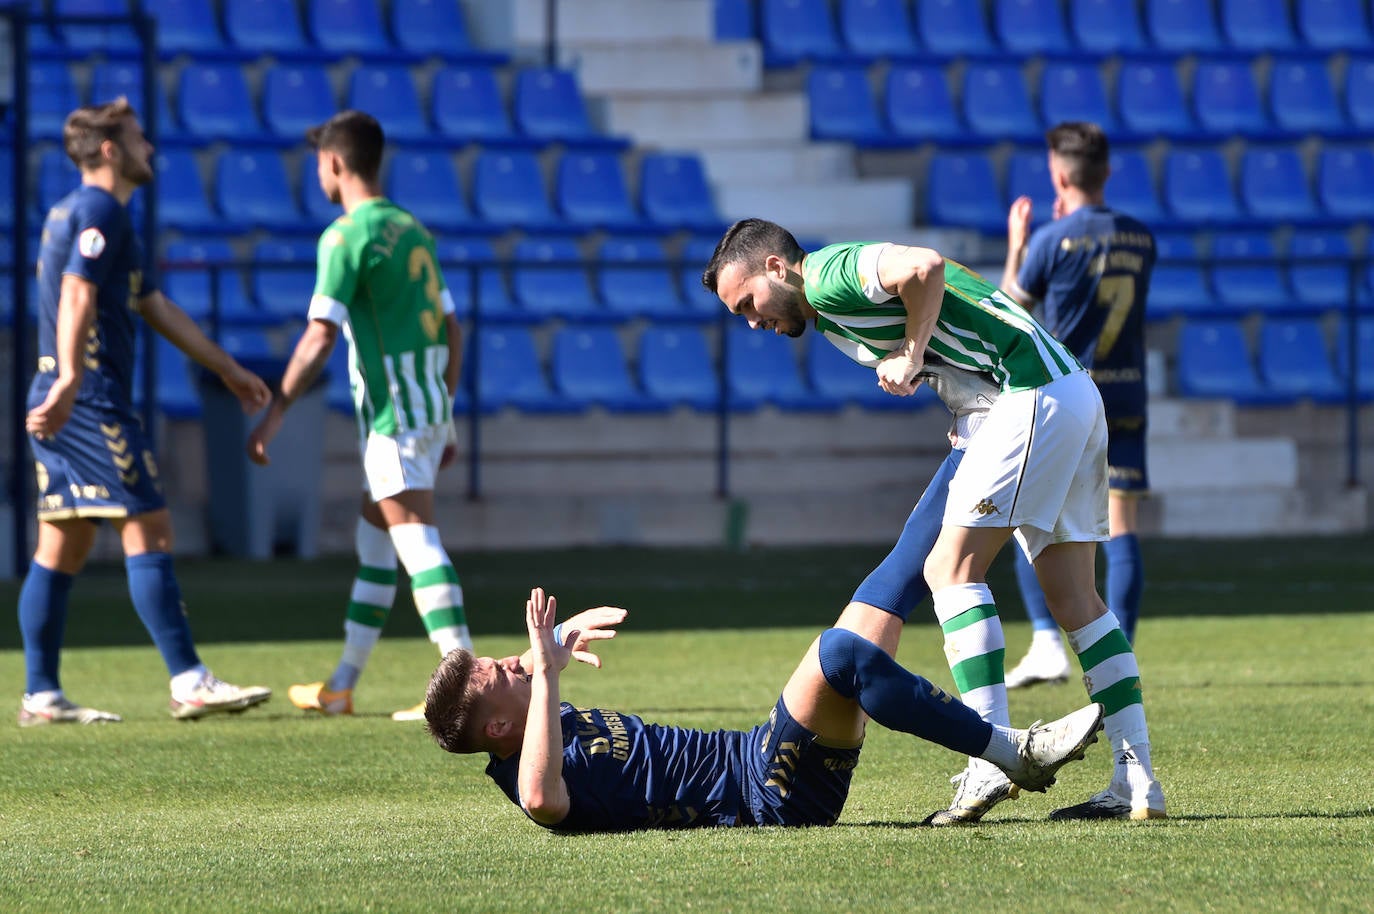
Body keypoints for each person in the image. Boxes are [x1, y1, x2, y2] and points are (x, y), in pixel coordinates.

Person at [702, 218, 1166, 823]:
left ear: (775, 268)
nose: (752, 320)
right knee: (1076, 597)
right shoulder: (829, 303)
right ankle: (1137, 781)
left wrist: (912, 353)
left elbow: (924, 267)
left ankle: (990, 762)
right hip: (1070, 390)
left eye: (748, 304)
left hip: (1028, 393)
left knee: (949, 570)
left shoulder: (828, 278)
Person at [424, 586, 1104, 831]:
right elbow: (543, 799)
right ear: (498, 729)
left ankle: (970, 439)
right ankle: (1010, 754)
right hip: (764, 792)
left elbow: (533, 697)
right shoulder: (527, 777)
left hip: (759, 758)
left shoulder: (534, 717)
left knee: (885, 590)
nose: (513, 660)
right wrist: (544, 672)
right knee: (839, 651)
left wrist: (552, 660)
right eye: (499, 673)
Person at [18, 98, 273, 725]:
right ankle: (189, 680)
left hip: (58, 396)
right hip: (88, 401)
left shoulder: (76, 212)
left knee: (62, 545)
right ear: (111, 149)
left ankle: (41, 694)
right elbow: (77, 290)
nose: (150, 148)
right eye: (138, 137)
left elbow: (154, 306)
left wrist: (228, 369)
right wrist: (76, 377)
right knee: (150, 528)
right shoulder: (101, 209)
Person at [246, 110, 469, 722]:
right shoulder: (412, 228)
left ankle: (465, 685)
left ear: (336, 163)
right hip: (421, 410)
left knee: (416, 543)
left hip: (394, 418)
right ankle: (342, 685)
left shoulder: (346, 236)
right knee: (376, 544)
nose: (318, 171)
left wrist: (276, 409)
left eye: (319, 161)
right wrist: (445, 416)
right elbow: (453, 327)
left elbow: (319, 337)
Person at [999, 122, 1156, 687]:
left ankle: (1047, 644)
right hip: (1128, 390)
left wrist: (1018, 246)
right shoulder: (1141, 237)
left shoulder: (1049, 242)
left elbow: (1010, 311)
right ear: (1107, 172)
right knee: (1125, 523)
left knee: (1030, 511)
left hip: (1071, 396)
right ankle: (1122, 654)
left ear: (1059, 176)